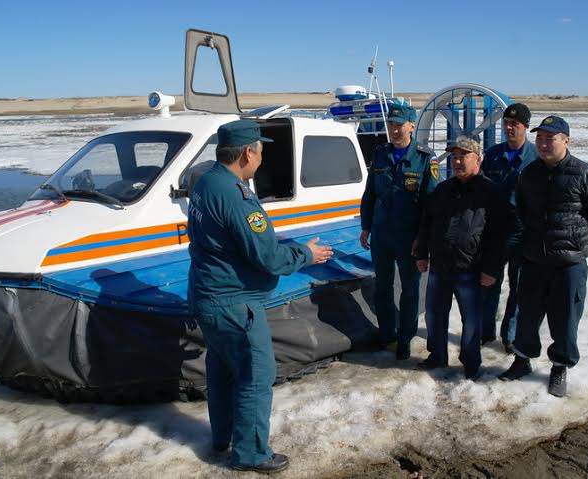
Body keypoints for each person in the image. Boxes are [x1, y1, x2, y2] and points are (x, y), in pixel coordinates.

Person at [187, 119, 333, 473]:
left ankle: (222, 438)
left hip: (207, 296)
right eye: (261, 150)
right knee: (255, 374)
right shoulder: (237, 196)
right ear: (248, 152)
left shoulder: (205, 182)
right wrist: (305, 255)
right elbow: (267, 256)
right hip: (233, 303)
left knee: (222, 371)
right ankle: (251, 453)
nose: (262, 157)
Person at [498, 116, 588, 397]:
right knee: (527, 315)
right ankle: (522, 359)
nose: (543, 143)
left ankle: (560, 366)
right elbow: (523, 210)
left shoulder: (586, 175)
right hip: (535, 260)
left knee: (564, 319)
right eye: (540, 138)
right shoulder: (529, 174)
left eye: (550, 138)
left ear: (566, 141)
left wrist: (577, 243)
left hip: (568, 265)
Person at [415, 135, 510, 379]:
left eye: (463, 156)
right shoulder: (443, 190)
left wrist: (492, 269)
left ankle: (470, 363)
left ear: (477, 160)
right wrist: (421, 253)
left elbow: (500, 235)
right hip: (439, 266)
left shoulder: (490, 192)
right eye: (454, 156)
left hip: (471, 268)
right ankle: (437, 355)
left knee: (471, 320)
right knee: (435, 314)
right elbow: (426, 223)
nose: (457, 161)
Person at [359, 103, 439, 360]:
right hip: (382, 235)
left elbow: (431, 205)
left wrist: (423, 240)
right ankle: (387, 334)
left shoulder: (425, 158)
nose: (394, 130)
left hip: (410, 238)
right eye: (391, 125)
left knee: (409, 290)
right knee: (381, 287)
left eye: (399, 125)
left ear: (412, 126)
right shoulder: (380, 154)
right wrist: (366, 226)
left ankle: (405, 338)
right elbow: (370, 193)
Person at [480, 103, 538, 351]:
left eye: (514, 124)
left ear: (525, 126)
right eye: (505, 123)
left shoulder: (536, 158)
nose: (509, 128)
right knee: (488, 282)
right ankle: (485, 332)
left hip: (523, 233)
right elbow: (481, 189)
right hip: (494, 231)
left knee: (518, 287)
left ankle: (510, 335)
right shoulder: (493, 155)